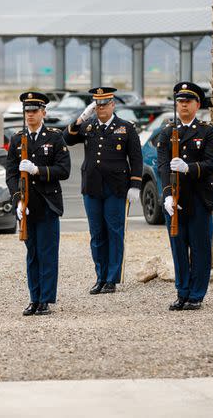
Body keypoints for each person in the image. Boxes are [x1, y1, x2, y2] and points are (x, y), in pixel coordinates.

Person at [63, 87, 142, 295]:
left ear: (113, 105)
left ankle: (112, 279)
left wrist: (135, 185)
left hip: (116, 188)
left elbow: (135, 158)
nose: (101, 108)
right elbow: (66, 139)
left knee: (114, 232)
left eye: (104, 104)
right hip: (92, 186)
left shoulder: (126, 128)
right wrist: (80, 118)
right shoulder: (87, 126)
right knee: (96, 233)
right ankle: (100, 276)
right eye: (97, 105)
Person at [156, 82, 213, 311]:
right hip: (175, 199)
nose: (183, 105)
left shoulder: (207, 131)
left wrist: (188, 168)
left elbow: (212, 163)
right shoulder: (167, 132)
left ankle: (196, 294)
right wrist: (166, 195)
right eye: (180, 101)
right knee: (179, 247)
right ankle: (182, 292)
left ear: (197, 104)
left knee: (200, 247)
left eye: (188, 101)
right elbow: (163, 166)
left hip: (199, 196)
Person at [6, 92, 71, 316]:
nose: (30, 115)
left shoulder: (54, 137)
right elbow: (11, 175)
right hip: (26, 205)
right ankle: (34, 298)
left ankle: (45, 299)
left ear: (43, 112)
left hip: (47, 203)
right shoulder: (17, 139)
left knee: (47, 253)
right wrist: (17, 200)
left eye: (34, 111)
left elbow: (64, 170)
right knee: (32, 253)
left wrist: (38, 170)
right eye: (27, 111)